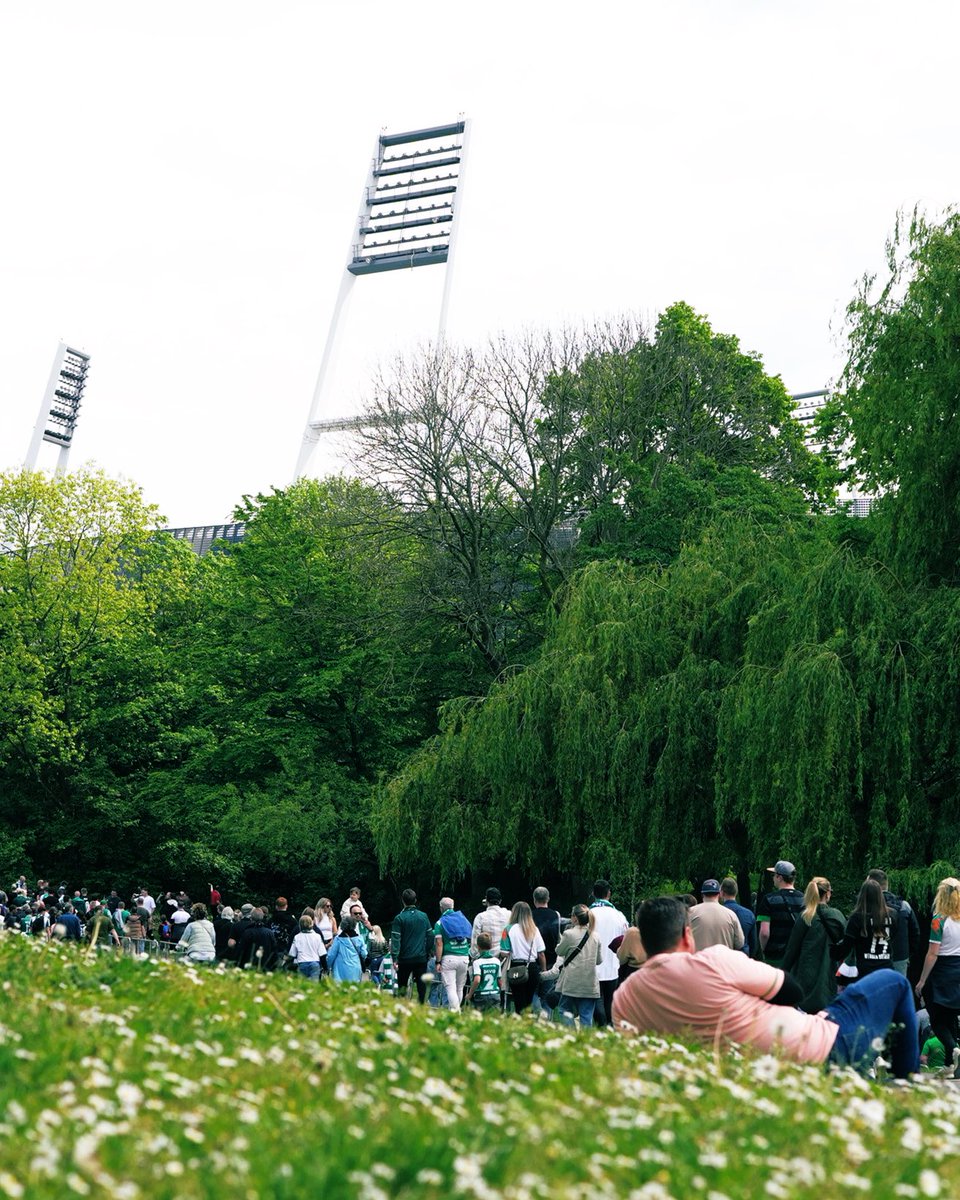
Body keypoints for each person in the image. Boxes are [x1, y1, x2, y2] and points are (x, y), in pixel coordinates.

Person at [613, 896, 919, 1078]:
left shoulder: (624, 998)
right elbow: (792, 991)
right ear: (686, 934)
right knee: (894, 983)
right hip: (823, 1049)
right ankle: (905, 1083)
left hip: (756, 1068)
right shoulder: (713, 961)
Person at [916, 877, 960, 1078]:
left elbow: (933, 953)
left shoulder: (938, 920)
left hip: (943, 970)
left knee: (936, 1017)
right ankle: (951, 1064)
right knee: (950, 1015)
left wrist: (922, 980)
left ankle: (954, 1050)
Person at [781, 877, 845, 1012]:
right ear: (827, 893)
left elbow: (792, 950)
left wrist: (782, 975)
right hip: (829, 977)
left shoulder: (805, 917)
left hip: (805, 975)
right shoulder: (837, 916)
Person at [554, 904, 604, 1028]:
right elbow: (599, 961)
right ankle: (584, 1043)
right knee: (586, 1016)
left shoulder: (568, 934)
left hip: (572, 982)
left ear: (575, 918)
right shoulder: (596, 935)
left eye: (571, 915)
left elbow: (559, 952)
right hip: (589, 983)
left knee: (564, 1010)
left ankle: (571, 1038)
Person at [589, 881, 629, 1025]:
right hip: (613, 966)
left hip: (592, 966)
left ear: (593, 894)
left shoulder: (588, 914)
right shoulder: (619, 915)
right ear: (609, 894)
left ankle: (602, 1027)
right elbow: (626, 938)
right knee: (610, 1001)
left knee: (595, 1000)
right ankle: (609, 1027)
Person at [867, 869, 920, 976]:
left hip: (872, 958)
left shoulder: (865, 907)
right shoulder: (904, 906)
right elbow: (915, 934)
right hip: (899, 958)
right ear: (887, 884)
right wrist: (907, 955)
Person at [838, 880, 894, 978]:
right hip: (886, 967)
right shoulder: (893, 915)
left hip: (865, 969)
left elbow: (847, 945)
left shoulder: (857, 918)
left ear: (862, 895)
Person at [501, 901, 546, 1015]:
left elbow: (504, 953)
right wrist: (544, 970)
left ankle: (520, 1025)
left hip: (516, 967)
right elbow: (541, 953)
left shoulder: (508, 929)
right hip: (532, 967)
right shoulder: (534, 929)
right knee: (529, 1001)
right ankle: (529, 1024)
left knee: (518, 1001)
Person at [756, 861, 804, 966]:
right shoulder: (804, 899)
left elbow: (764, 933)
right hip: (796, 957)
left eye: (774, 875)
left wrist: (761, 952)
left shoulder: (769, 899)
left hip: (774, 957)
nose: (773, 878)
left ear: (779, 877)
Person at [390, 889, 432, 1003]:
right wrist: (427, 952)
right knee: (422, 989)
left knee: (402, 988)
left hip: (404, 959)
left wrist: (395, 957)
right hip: (420, 957)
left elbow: (396, 939)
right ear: (416, 900)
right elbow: (430, 936)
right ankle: (421, 1011)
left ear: (403, 901)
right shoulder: (423, 916)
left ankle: (403, 1011)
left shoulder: (399, 918)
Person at [433, 897, 472, 1013]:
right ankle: (453, 1012)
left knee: (451, 989)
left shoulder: (440, 923)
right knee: (459, 988)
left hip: (449, 958)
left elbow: (439, 944)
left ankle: (456, 1013)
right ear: (452, 907)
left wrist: (438, 961)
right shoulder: (463, 919)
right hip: (464, 957)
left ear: (441, 908)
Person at [688, 880, 745, 952]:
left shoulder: (690, 912)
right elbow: (740, 943)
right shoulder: (731, 915)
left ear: (702, 894)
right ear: (719, 894)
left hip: (698, 961)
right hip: (722, 961)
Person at [719, 878, 756, 957]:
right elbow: (753, 943)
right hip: (743, 957)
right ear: (736, 892)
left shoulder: (718, 913)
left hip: (723, 957)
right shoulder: (749, 914)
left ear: (721, 893)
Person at [466, 932, 502, 1012]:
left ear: (478, 947)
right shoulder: (497, 961)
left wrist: (470, 994)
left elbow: (477, 980)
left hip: (481, 995)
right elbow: (499, 981)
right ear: (491, 946)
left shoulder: (477, 962)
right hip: (494, 994)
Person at [326, 916, 367, 982]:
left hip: (340, 969)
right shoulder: (359, 938)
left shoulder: (338, 939)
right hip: (355, 967)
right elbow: (364, 954)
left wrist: (327, 966)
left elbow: (331, 955)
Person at [287, 915, 327, 981]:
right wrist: (325, 968)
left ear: (300, 925)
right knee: (314, 987)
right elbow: (322, 954)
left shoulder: (297, 937)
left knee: (302, 986)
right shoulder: (317, 936)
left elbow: (292, 954)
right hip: (315, 963)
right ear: (312, 924)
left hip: (302, 963)